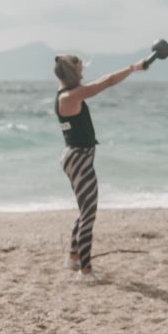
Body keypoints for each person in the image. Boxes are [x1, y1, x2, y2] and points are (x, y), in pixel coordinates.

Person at [53, 54, 146, 280]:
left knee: (84, 211)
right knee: (89, 215)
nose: (84, 71)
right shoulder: (71, 95)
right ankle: (85, 271)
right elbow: (106, 82)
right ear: (73, 73)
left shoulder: (66, 95)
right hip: (79, 158)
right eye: (81, 69)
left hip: (76, 157)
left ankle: (73, 258)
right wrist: (133, 67)